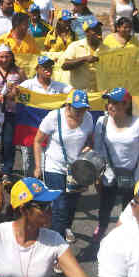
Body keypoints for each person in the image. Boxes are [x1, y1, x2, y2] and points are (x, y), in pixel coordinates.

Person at [92, 87, 139, 243]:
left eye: (115, 103)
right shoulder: (102, 121)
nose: (110, 106)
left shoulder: (138, 123)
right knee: (105, 205)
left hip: (132, 176)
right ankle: (101, 228)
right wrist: (97, 175)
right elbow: (98, 149)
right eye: (109, 102)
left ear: (126, 104)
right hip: (109, 175)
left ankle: (127, 236)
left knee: (130, 209)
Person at [34, 90, 94, 243]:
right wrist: (37, 166)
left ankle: (66, 226)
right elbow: (37, 140)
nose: (81, 112)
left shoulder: (88, 118)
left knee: (72, 203)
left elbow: (90, 141)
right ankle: (56, 247)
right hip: (54, 166)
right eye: (77, 108)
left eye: (83, 108)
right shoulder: (54, 117)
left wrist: (88, 150)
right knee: (60, 205)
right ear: (68, 106)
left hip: (76, 169)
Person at [0, 44, 27, 184]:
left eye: (7, 56)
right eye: (1, 56)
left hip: (11, 111)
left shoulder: (18, 72)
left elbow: (27, 90)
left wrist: (16, 92)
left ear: (11, 57)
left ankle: (7, 170)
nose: (4, 59)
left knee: (9, 141)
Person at [62, 19, 108, 91]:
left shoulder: (106, 49)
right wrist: (84, 59)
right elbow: (65, 65)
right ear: (87, 32)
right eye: (95, 30)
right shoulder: (75, 46)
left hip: (98, 94)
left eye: (99, 29)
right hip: (78, 92)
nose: (98, 32)